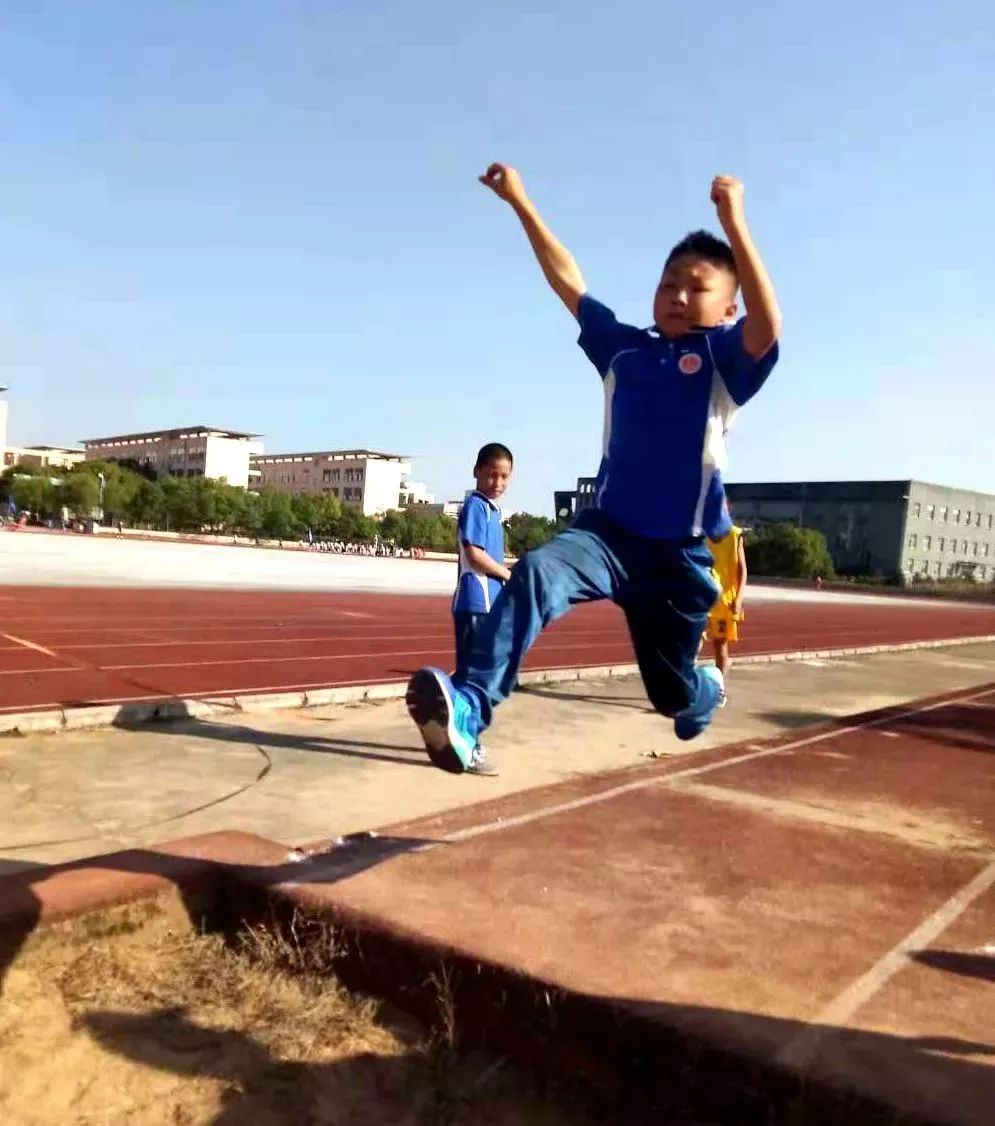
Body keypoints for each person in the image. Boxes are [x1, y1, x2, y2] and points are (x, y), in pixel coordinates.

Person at [406, 163, 781, 774]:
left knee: (670, 697)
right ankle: (471, 707)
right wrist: (521, 201)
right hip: (606, 535)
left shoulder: (724, 361)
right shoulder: (624, 349)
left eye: (695, 287)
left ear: (728, 306)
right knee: (533, 574)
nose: (677, 297)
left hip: (679, 561)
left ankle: (701, 689)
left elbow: (768, 328)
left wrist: (735, 224)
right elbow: (568, 282)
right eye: (667, 285)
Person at [451, 444, 514, 775]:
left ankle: (450, 724)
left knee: (471, 675)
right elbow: (474, 554)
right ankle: (469, 746)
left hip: (486, 604)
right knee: (479, 679)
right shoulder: (476, 506)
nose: (497, 482)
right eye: (492, 474)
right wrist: (506, 573)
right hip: (476, 603)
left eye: (504, 476)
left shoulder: (492, 511)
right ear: (476, 470)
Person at [705, 521, 747, 696]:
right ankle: (685, 692)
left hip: (724, 602)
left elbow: (742, 570)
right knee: (691, 644)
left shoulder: (734, 535)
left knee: (720, 647)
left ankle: (719, 691)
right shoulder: (699, 532)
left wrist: (739, 598)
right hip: (701, 597)